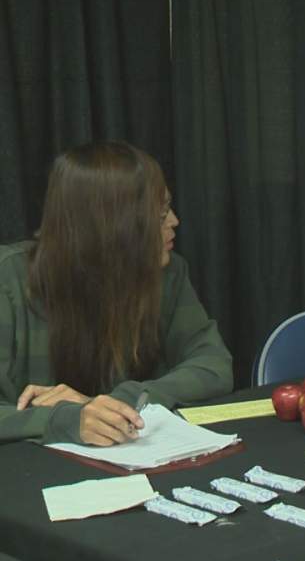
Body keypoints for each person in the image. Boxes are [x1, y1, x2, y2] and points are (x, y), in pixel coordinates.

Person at [0, 141, 234, 446]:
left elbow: (213, 365)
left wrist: (118, 402)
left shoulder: (168, 272)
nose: (175, 222)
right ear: (112, 227)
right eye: (161, 214)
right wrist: (70, 418)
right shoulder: (8, 280)